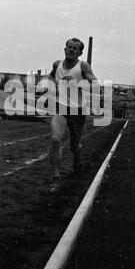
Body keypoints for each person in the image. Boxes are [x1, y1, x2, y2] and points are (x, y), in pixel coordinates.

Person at [48, 38, 99, 192]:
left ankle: (77, 159)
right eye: (69, 47)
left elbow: (94, 82)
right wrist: (54, 84)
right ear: (65, 49)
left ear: (80, 52)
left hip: (77, 111)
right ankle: (56, 178)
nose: (71, 50)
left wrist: (79, 85)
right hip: (61, 109)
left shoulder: (82, 66)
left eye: (74, 48)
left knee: (74, 147)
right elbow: (51, 76)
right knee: (55, 139)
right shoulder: (57, 64)